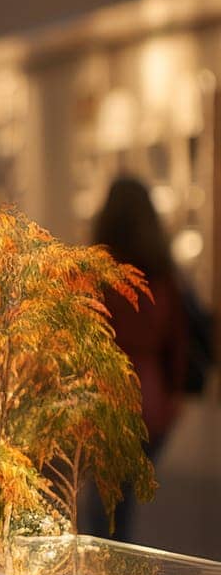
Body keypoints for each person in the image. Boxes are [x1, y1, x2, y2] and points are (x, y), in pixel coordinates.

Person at [83, 176, 190, 539]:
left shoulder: (99, 272)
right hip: (151, 395)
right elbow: (177, 344)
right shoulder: (161, 273)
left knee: (103, 506)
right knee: (124, 500)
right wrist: (173, 399)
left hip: (106, 394)